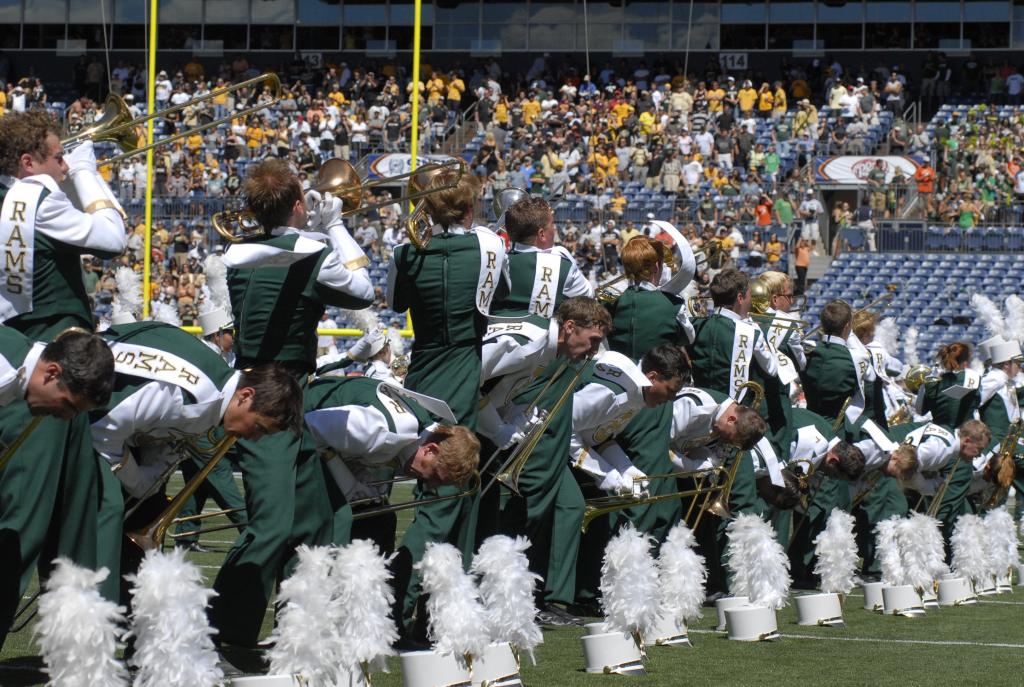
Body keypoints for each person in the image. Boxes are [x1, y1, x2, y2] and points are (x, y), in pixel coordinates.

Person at [211, 158, 374, 652]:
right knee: (272, 523)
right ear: (300, 205)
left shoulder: (241, 249)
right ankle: (224, 633)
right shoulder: (309, 249)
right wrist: (336, 225)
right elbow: (364, 290)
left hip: (277, 386)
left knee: (315, 517)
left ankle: (300, 627)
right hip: (276, 392)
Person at [0, 109, 127, 640]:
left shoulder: (11, 200)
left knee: (92, 507)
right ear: (29, 163)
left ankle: (77, 642)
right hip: (51, 376)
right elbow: (113, 236)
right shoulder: (36, 195)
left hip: (35, 360)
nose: (62, 164)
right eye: (56, 156)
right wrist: (86, 172)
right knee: (30, 523)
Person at [92, 321, 303, 603]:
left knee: (148, 514)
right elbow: (104, 429)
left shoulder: (215, 400)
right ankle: (90, 609)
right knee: (109, 508)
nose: (254, 439)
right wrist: (139, 481)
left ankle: (131, 619)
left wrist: (150, 481)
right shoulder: (188, 395)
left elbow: (163, 438)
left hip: (114, 430)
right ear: (246, 395)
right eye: (259, 428)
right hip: (80, 418)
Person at [386, 169, 508, 641]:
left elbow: (396, 303)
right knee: (445, 495)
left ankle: (442, 603)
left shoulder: (405, 252)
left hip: (420, 373)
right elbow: (495, 296)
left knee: (446, 492)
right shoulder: (488, 246)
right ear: (469, 208)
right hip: (460, 370)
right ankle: (401, 599)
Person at [477, 296, 610, 625]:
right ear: (569, 327)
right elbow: (466, 380)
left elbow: (496, 392)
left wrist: (515, 417)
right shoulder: (531, 342)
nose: (594, 351)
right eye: (593, 340)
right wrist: (500, 431)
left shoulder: (548, 348)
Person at [570, 345, 690, 609]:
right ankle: (558, 599)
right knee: (569, 510)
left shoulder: (637, 394)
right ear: (653, 377)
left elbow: (599, 436)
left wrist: (626, 469)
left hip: (574, 452)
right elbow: (563, 428)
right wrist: (607, 475)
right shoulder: (614, 391)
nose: (670, 400)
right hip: (546, 447)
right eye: (670, 390)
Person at [305, 375, 479, 550]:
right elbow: (307, 427)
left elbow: (344, 445)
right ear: (430, 450)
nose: (430, 485)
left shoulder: (418, 427)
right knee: (346, 523)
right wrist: (347, 484)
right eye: (435, 475)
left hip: (307, 436)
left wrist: (359, 477)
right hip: (292, 426)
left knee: (380, 521)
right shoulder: (381, 430)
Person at [173, 303, 247, 551]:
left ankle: (186, 536)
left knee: (197, 481)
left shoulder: (221, 355)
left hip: (204, 424)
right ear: (217, 334)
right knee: (220, 474)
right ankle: (249, 528)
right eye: (230, 334)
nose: (232, 339)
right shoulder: (204, 354)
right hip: (196, 424)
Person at [492, 196, 592, 318]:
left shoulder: (494, 261)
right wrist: (566, 257)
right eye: (552, 223)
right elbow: (589, 296)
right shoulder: (561, 264)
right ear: (542, 234)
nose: (554, 228)